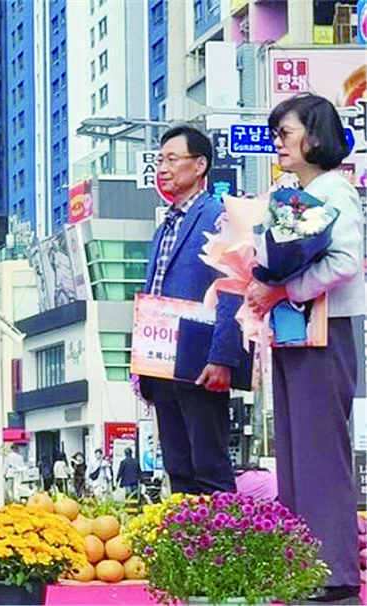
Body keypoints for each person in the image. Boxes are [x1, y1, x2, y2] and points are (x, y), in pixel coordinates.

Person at [246, 93, 364, 604]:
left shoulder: (337, 191)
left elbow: (346, 262)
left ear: (315, 136)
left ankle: (333, 569)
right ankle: (301, 563)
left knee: (321, 453)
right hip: (295, 331)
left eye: (285, 133)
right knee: (293, 452)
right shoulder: (297, 193)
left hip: (327, 329)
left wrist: (283, 289)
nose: (279, 144)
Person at [136, 124, 241, 495]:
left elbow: (233, 288)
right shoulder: (164, 225)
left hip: (200, 360)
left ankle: (225, 547)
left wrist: (223, 357)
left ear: (199, 166)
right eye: (159, 160)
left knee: (209, 465)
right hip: (161, 362)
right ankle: (187, 547)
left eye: (171, 159)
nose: (162, 168)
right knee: (177, 466)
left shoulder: (219, 216)